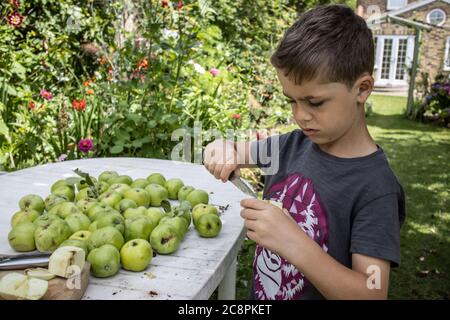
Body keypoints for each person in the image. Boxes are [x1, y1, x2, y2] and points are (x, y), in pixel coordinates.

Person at [203, 4, 405, 300]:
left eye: (315, 102)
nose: (300, 115)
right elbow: (234, 150)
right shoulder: (291, 146)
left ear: (362, 89)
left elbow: (372, 292)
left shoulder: (375, 189)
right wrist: (222, 148)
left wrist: (292, 242)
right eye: (291, 101)